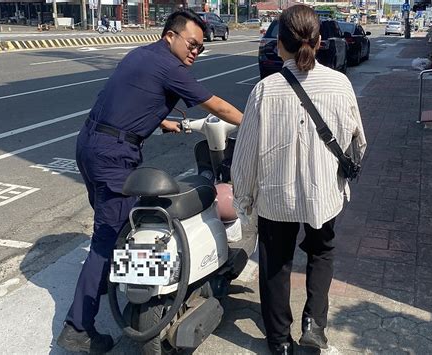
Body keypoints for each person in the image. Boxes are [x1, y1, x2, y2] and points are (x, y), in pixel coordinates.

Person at [57, 9, 242, 354]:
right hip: (114, 155)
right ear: (170, 36)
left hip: (91, 144)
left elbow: (129, 99)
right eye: (191, 44)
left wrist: (162, 122)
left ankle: (112, 282)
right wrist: (251, 125)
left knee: (115, 229)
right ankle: (77, 327)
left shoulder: (142, 54)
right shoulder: (170, 67)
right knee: (109, 238)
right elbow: (216, 105)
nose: (195, 52)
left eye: (201, 48)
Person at [231, 5, 366, 355]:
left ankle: (279, 342)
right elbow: (358, 143)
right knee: (322, 252)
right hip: (325, 193)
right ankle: (313, 326)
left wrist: (243, 201)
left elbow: (244, 157)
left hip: (277, 197)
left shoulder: (264, 91)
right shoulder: (341, 84)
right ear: (319, 42)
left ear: (279, 44)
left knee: (276, 261)